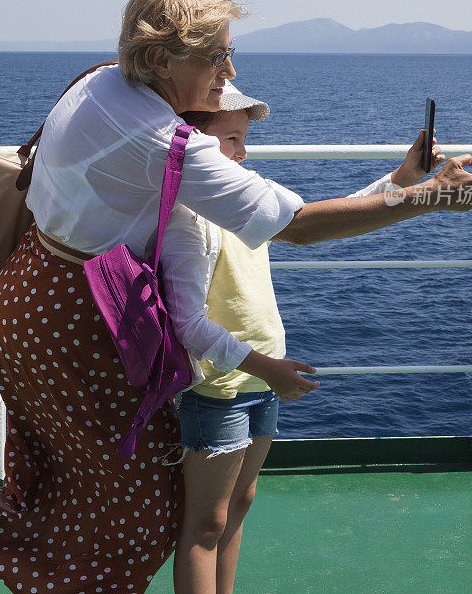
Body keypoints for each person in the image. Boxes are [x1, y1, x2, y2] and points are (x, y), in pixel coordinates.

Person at [0, 0, 472, 594]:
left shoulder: (102, 82)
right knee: (125, 510)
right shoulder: (168, 144)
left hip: (36, 289)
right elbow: (298, 226)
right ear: (158, 57)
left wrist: (399, 184)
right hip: (81, 323)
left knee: (75, 489)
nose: (228, 71)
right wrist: (429, 199)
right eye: (217, 56)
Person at [163, 82, 446, 594]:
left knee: (241, 502)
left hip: (257, 377)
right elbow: (187, 324)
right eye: (230, 140)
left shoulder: (239, 201)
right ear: (194, 143)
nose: (242, 153)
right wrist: (265, 367)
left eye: (244, 139)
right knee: (205, 523)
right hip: (217, 388)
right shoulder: (188, 218)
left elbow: (321, 218)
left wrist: (404, 178)